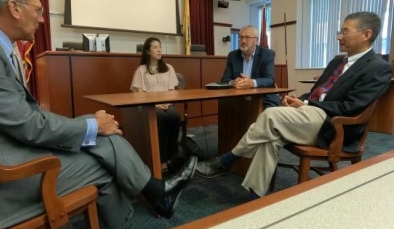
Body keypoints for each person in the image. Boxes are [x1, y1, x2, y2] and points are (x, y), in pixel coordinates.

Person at [0, 0, 198, 229]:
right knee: (102, 162)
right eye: (39, 10)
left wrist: (92, 124)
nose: (43, 19)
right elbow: (27, 125)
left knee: (100, 128)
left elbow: (21, 116)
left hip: (8, 144)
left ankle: (155, 194)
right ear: (14, 8)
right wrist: (92, 126)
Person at [196, 11, 392, 200]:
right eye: (339, 31)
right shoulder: (338, 61)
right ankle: (255, 198)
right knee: (269, 138)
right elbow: (318, 90)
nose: (339, 36)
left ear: (367, 34)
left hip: (333, 125)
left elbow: (351, 107)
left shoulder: (378, 68)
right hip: (311, 114)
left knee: (270, 115)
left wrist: (306, 103)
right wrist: (299, 99)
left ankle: (227, 160)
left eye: (345, 31)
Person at [131, 37, 183, 172]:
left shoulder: (169, 68)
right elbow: (138, 93)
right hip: (150, 106)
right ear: (147, 51)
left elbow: (172, 91)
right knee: (162, 119)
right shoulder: (141, 70)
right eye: (155, 47)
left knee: (175, 116)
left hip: (167, 104)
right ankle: (161, 160)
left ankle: (170, 156)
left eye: (160, 46)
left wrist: (166, 103)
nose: (159, 49)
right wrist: (155, 105)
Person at [221, 25, 280, 108]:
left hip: (262, 97)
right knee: (226, 107)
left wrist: (251, 83)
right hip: (239, 97)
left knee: (268, 110)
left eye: (247, 37)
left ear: (256, 41)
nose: (243, 41)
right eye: (241, 37)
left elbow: (270, 80)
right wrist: (233, 82)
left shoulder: (267, 54)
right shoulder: (233, 55)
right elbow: (224, 80)